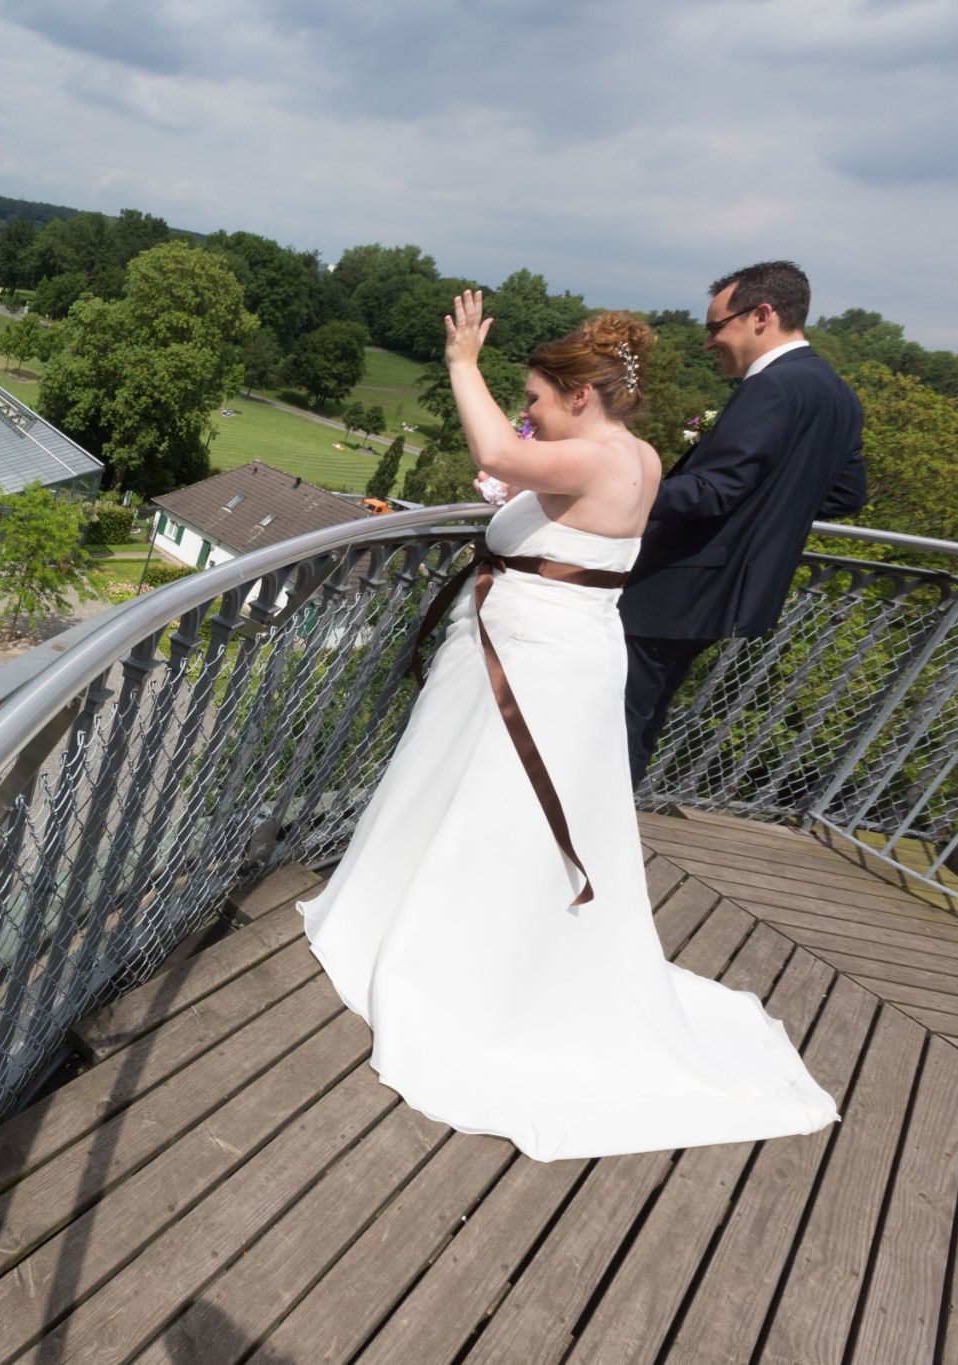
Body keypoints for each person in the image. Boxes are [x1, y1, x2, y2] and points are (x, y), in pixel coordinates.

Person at [294, 292, 837, 1162]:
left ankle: (468, 965)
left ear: (583, 399)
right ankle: (429, 918)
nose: (532, 416)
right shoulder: (638, 455)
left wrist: (464, 364)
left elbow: (497, 450)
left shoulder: (596, 459)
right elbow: (542, 491)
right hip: (549, 648)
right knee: (477, 794)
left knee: (502, 807)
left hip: (537, 660)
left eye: (541, 400)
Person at [620, 261, 866, 785]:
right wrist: (769, 513)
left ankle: (581, 847)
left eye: (716, 328)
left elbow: (713, 490)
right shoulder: (839, 395)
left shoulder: (772, 387)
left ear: (762, 315)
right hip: (733, 594)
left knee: (616, 723)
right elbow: (845, 495)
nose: (710, 343)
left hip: (676, 585)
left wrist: (609, 488)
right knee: (641, 721)